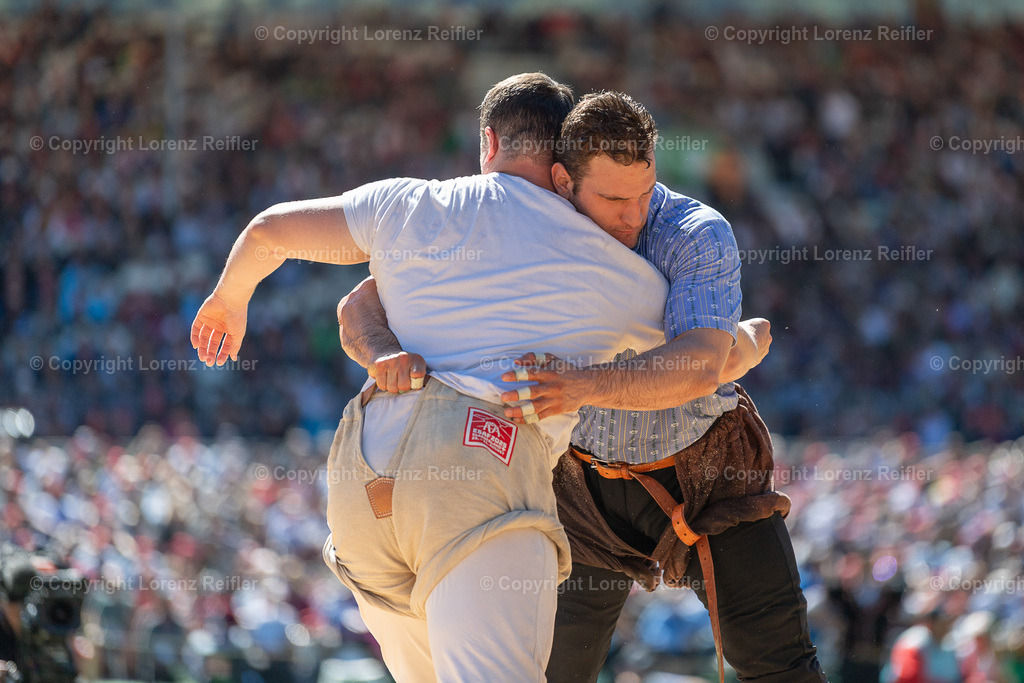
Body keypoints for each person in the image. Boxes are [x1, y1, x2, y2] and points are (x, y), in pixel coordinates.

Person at [190, 72, 675, 682]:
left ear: (489, 142)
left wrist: (228, 301)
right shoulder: (611, 263)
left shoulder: (409, 202)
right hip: (479, 462)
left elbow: (270, 232)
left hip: (365, 472)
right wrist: (747, 338)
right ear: (565, 164)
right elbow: (701, 357)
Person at [341, 91, 826, 683]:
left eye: (645, 193)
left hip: (705, 471)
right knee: (545, 674)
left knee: (781, 666)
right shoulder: (525, 218)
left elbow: (701, 366)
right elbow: (364, 298)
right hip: (579, 486)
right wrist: (383, 351)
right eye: (614, 199)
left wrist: (584, 385)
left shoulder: (693, 231)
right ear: (564, 182)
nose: (634, 216)